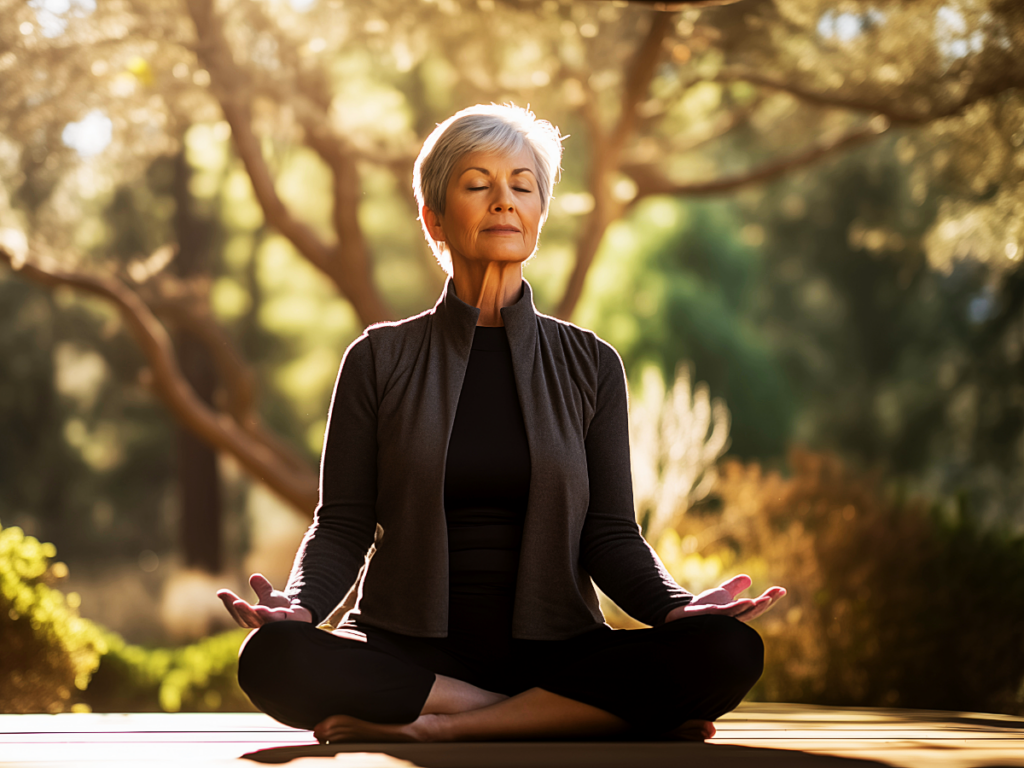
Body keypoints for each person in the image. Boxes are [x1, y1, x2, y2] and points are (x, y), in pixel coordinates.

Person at [217, 103, 786, 744]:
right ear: (434, 217)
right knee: (271, 658)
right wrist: (301, 606)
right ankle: (561, 713)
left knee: (728, 650)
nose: (504, 202)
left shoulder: (591, 363)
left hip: (560, 649)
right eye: (478, 185)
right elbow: (343, 525)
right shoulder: (379, 359)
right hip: (408, 650)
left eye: (522, 185)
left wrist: (677, 608)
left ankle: (448, 728)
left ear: (539, 214)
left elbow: (610, 535)